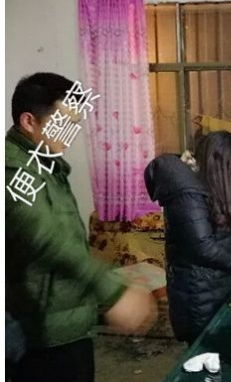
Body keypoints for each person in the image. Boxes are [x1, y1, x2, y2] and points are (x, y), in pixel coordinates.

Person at [6, 72, 157, 382]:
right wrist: (114, 291)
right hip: (42, 335)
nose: (70, 133)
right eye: (63, 122)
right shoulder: (12, 172)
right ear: (28, 121)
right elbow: (48, 239)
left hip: (69, 324)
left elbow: (70, 240)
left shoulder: (47, 166)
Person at [145, 131, 231, 345]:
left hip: (214, 286)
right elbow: (202, 246)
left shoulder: (208, 184)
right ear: (221, 164)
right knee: (204, 351)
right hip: (198, 293)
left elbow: (225, 225)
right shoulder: (187, 193)